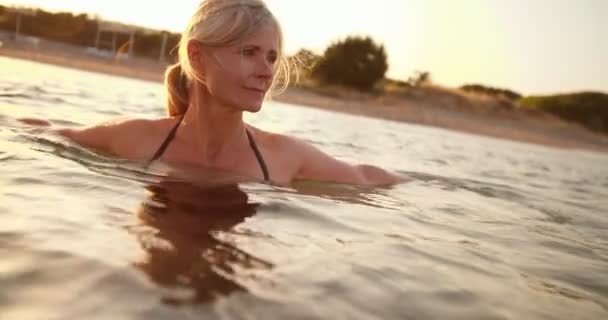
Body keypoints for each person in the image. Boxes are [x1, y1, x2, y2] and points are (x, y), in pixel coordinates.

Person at [42, 0, 405, 186]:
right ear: (198, 59)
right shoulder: (135, 139)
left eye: (272, 56)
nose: (266, 70)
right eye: (249, 53)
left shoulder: (284, 157)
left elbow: (365, 178)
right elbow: (48, 134)